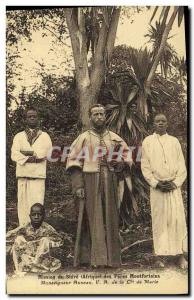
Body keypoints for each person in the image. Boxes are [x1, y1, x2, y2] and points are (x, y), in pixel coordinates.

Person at [66, 104, 132, 268]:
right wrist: (78, 185)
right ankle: (95, 260)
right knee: (92, 217)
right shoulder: (83, 138)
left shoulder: (115, 138)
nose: (99, 117)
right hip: (89, 179)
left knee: (111, 217)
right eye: (95, 114)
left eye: (101, 114)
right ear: (90, 117)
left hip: (110, 180)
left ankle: (113, 260)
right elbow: (73, 162)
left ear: (106, 116)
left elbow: (127, 158)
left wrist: (120, 163)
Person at [141, 113, 187, 269]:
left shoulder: (174, 141)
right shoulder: (147, 142)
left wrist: (175, 183)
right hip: (158, 188)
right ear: (153, 124)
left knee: (177, 219)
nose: (160, 123)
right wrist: (156, 183)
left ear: (167, 123)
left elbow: (182, 165)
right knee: (159, 220)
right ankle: (160, 255)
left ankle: (180, 256)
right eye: (157, 121)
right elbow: (145, 167)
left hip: (174, 187)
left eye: (163, 121)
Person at [11, 107, 52, 226]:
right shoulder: (19, 136)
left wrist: (31, 154)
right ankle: (23, 229)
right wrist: (30, 157)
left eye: (34, 116)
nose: (32, 118)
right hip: (23, 176)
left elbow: (48, 154)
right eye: (30, 116)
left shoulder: (45, 136)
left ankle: (37, 231)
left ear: (38, 118)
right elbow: (14, 154)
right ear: (26, 119)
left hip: (38, 177)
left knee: (37, 205)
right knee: (23, 205)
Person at [6, 203, 63, 276]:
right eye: (34, 214)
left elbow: (59, 240)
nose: (36, 217)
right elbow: (9, 236)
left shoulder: (48, 228)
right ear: (30, 216)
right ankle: (18, 269)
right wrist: (23, 239)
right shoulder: (25, 226)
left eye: (39, 214)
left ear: (43, 216)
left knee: (45, 240)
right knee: (19, 239)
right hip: (27, 255)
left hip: (41, 257)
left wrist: (46, 241)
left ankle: (35, 266)